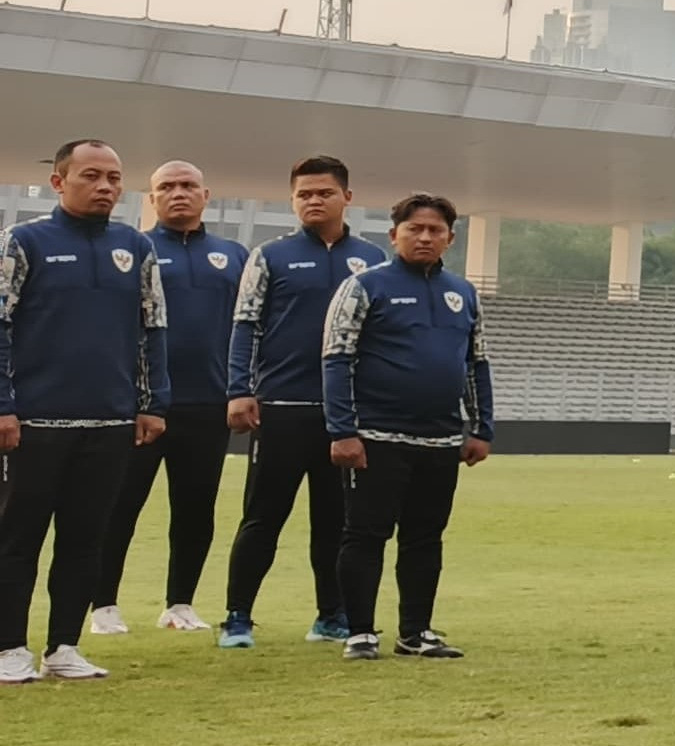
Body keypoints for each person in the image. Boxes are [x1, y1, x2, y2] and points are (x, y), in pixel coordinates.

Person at [0, 140, 173, 683]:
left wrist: (151, 404)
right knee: (18, 539)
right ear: (58, 181)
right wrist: (4, 407)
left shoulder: (136, 247)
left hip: (110, 423)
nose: (105, 187)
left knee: (84, 539)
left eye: (115, 178)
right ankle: (8, 648)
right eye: (92, 175)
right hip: (34, 424)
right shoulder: (23, 242)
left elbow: (153, 329)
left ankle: (63, 646)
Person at [222, 155, 387, 648]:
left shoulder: (374, 260)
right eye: (304, 194)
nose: (314, 201)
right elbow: (245, 324)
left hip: (345, 417)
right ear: (293, 200)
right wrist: (239, 389)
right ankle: (237, 617)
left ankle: (331, 615)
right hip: (282, 408)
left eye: (324, 193)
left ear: (347, 198)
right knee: (262, 517)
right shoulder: (270, 256)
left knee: (336, 522)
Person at [322, 193, 495, 662]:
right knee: (365, 535)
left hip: (441, 440)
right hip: (377, 437)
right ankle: (360, 632)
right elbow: (336, 358)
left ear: (450, 239)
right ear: (393, 233)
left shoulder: (464, 293)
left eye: (435, 230)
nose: (424, 237)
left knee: (425, 537)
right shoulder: (364, 287)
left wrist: (482, 427)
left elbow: (476, 362)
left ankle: (416, 632)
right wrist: (342, 429)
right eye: (414, 229)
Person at [92, 160, 242, 637]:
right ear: (150, 199)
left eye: (188, 186)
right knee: (119, 505)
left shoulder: (233, 255)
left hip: (208, 404)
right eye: (167, 187)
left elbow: (248, 330)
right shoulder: (131, 249)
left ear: (206, 194)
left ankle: (180, 603)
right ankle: (103, 606)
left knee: (196, 509)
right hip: (139, 404)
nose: (179, 193)